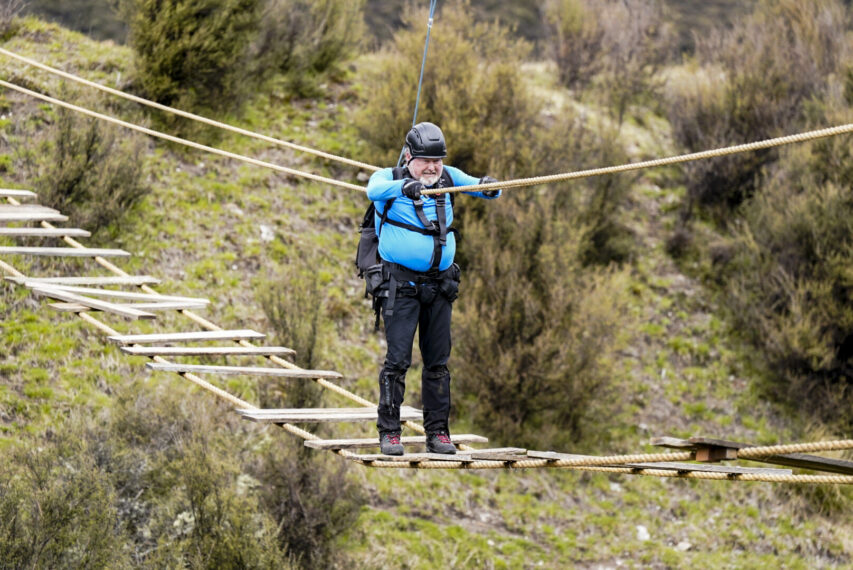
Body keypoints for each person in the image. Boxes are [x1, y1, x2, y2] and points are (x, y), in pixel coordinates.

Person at [366, 121, 501, 455]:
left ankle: (438, 433)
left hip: (440, 286)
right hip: (401, 285)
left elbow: (485, 190)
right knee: (397, 361)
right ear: (409, 156)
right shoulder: (389, 178)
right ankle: (390, 433)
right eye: (425, 160)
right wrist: (405, 188)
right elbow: (373, 191)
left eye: (437, 161)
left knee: (438, 362)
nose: (432, 167)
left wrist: (490, 186)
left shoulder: (448, 178)